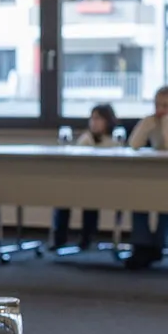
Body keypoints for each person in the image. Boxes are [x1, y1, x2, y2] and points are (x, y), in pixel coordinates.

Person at [124, 85, 168, 270]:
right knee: (138, 198)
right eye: (157, 105)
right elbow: (134, 144)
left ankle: (158, 245)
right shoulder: (152, 120)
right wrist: (145, 125)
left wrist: (167, 122)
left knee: (166, 201)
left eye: (166, 105)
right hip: (155, 174)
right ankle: (141, 245)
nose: (160, 110)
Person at [51, 103, 121, 250]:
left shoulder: (114, 141)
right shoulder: (86, 138)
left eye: (98, 118)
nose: (93, 122)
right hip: (83, 180)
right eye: (92, 118)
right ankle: (59, 238)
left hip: (103, 183)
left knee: (90, 200)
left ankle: (87, 238)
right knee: (63, 197)